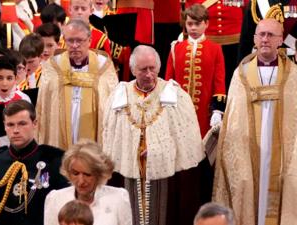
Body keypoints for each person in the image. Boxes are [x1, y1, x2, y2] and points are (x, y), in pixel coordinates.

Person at [103, 45, 212, 225]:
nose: (148, 74)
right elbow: (111, 139)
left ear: (159, 67)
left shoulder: (176, 95)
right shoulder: (119, 96)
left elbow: (187, 143)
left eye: (152, 69)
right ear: (132, 70)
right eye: (143, 69)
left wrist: (158, 151)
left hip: (167, 180)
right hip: (128, 175)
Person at [213, 18, 297, 225]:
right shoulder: (241, 74)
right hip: (249, 152)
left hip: (282, 151)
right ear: (254, 39)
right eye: (262, 35)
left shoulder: (293, 75)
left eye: (271, 35)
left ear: (280, 41)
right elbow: (234, 118)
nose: (265, 39)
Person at [0, 100, 69, 225]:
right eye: (10, 125)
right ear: (4, 126)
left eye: (22, 124)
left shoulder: (55, 160)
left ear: (34, 124)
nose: (16, 130)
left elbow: (67, 209)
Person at [36, 19, 118, 150]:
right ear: (64, 40)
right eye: (70, 40)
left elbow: (110, 102)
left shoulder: (103, 66)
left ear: (89, 41)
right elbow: (45, 105)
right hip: (60, 130)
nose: (74, 45)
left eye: (79, 40)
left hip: (92, 131)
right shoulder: (53, 66)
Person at [165, 4, 226, 137]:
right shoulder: (176, 48)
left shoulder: (215, 49)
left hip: (205, 111)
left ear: (206, 24)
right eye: (189, 23)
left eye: (197, 24)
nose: (193, 28)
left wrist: (217, 110)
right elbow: (168, 80)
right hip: (179, 109)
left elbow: (219, 81)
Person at [44, 140, 132, 225]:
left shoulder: (118, 198)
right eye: (75, 173)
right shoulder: (55, 199)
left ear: (100, 174)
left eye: (87, 174)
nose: (81, 181)